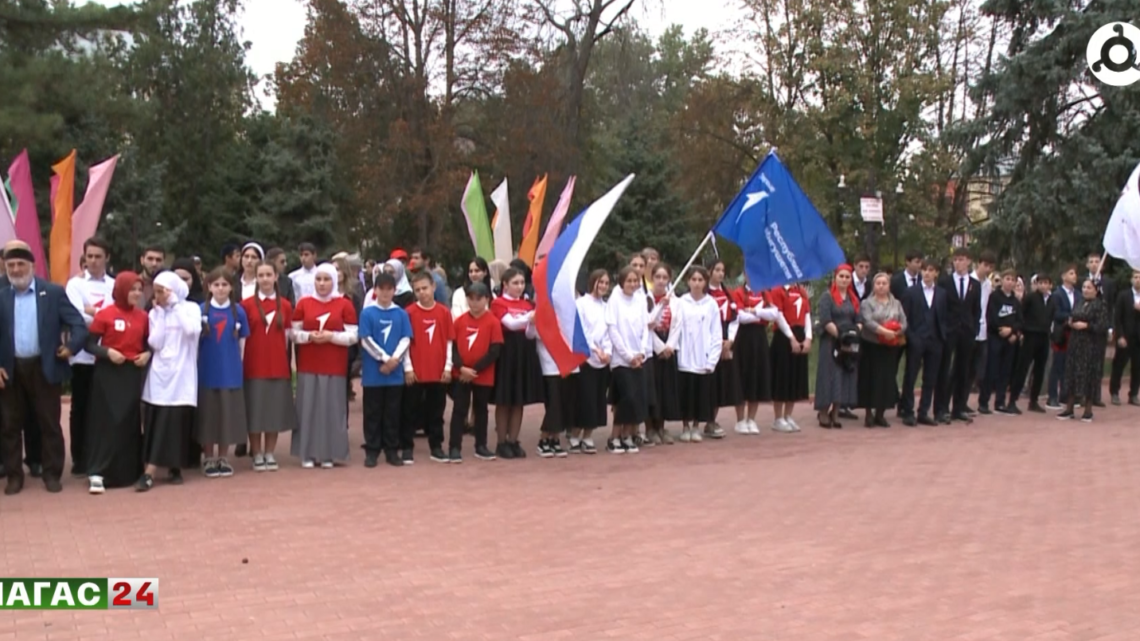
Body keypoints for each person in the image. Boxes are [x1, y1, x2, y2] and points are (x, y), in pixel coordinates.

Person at [0, 241, 89, 495]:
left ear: (32, 266)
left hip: (45, 367)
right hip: (10, 369)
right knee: (9, 426)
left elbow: (79, 325)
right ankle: (15, 477)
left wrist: (71, 347)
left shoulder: (52, 293)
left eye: (20, 264)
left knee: (49, 423)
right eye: (11, 265)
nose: (16, 270)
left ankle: (52, 474)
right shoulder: (1, 296)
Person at [83, 271, 150, 493]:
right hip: (108, 373)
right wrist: (108, 352)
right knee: (106, 422)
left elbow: (149, 344)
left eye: (140, 290)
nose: (137, 294)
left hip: (131, 373)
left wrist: (147, 354)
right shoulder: (105, 314)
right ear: (121, 290)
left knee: (128, 421)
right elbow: (89, 345)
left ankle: (126, 471)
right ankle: (97, 472)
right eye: (132, 289)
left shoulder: (143, 317)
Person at [137, 270, 202, 491]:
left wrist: (174, 306)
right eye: (155, 292)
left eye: (161, 291)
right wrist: (161, 315)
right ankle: (151, 468)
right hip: (160, 373)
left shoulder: (190, 308)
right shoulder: (156, 313)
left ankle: (171, 467)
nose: (158, 296)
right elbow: (155, 343)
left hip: (181, 373)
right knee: (156, 420)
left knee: (174, 421)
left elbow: (192, 331)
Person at [292, 263, 358, 468]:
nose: (322, 284)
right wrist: (309, 336)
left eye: (326, 279)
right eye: (318, 279)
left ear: (334, 281)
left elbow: (354, 335)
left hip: (334, 365)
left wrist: (332, 337)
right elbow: (293, 333)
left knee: (331, 409)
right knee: (308, 408)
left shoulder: (344, 305)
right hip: (309, 364)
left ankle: (329, 453)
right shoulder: (304, 303)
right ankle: (307, 453)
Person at [63, 236, 116, 477]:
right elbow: (76, 317)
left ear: (107, 258)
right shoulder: (74, 285)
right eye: (89, 256)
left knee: (102, 409)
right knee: (81, 407)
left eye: (98, 256)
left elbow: (117, 317)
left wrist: (91, 311)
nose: (93, 261)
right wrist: (101, 315)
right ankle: (80, 458)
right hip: (82, 357)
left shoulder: (114, 285)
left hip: (107, 354)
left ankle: (102, 454)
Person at [240, 261, 295, 472]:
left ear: (275, 277)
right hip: (253, 365)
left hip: (277, 365)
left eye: (268, 275)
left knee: (272, 411)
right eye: (260, 275)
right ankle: (256, 453)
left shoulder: (286, 306)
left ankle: (270, 452)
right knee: (255, 411)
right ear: (256, 278)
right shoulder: (246, 306)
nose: (264, 279)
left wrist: (292, 366)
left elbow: (289, 338)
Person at [196, 269, 250, 478]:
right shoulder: (201, 310)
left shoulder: (239, 312)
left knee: (227, 415)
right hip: (207, 371)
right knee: (209, 415)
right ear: (209, 287)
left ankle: (223, 457)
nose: (220, 289)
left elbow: (243, 345)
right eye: (216, 284)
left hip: (230, 372)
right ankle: (209, 457)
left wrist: (237, 366)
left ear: (231, 287)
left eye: (224, 285)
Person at [359, 273, 413, 468]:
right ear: (375, 290)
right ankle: (372, 450)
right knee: (372, 412)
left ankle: (392, 450)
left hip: (394, 374)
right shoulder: (367, 313)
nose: (385, 292)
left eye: (389, 289)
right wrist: (384, 358)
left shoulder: (401, 314)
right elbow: (366, 339)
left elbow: (406, 339)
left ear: (394, 290)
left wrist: (394, 360)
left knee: (392, 413)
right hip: (374, 373)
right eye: (381, 288)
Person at [402, 271, 453, 464]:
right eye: (417, 290)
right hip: (415, 371)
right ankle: (407, 447)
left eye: (425, 288)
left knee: (436, 411)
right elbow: (406, 342)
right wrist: (408, 367)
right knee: (409, 410)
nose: (422, 293)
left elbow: (449, 341)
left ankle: (437, 446)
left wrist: (448, 367)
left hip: (438, 371)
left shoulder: (443, 312)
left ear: (434, 287)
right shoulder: (409, 313)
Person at [491, 267, 543, 458]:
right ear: (505, 284)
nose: (519, 287)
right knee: (504, 399)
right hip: (506, 353)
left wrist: (532, 322)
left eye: (522, 283)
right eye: (515, 283)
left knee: (518, 400)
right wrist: (529, 317)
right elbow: (510, 324)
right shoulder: (498, 303)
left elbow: (530, 333)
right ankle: (501, 441)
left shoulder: (528, 304)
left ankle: (513, 440)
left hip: (523, 352)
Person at [447, 282, 501, 463]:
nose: (475, 303)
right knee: (459, 410)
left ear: (487, 299)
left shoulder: (493, 322)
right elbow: (452, 347)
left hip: (482, 375)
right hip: (461, 374)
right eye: (471, 299)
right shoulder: (460, 321)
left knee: (481, 410)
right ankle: (454, 447)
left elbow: (495, 351)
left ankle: (481, 445)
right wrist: (461, 367)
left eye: (479, 299)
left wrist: (475, 369)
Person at [668, 266, 721, 443]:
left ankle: (697, 426)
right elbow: (675, 329)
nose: (697, 283)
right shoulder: (681, 302)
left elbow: (716, 333)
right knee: (686, 393)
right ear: (688, 281)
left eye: (700, 280)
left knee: (700, 393)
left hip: (702, 358)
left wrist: (712, 359)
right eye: (694, 280)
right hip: (685, 357)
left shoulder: (711, 304)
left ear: (705, 282)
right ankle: (685, 426)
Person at [606, 266, 650, 453]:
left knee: (636, 399)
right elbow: (613, 330)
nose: (632, 284)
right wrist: (628, 356)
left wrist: (641, 352)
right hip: (621, 361)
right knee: (626, 398)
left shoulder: (640, 300)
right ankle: (614, 438)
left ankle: (627, 435)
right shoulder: (614, 301)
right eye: (629, 280)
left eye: (635, 280)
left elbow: (645, 328)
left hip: (638, 358)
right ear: (622, 282)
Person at [935, 248, 982, 423]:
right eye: (955, 260)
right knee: (945, 369)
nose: (958, 263)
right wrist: (944, 328)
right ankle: (941, 407)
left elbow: (976, 310)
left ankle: (959, 407)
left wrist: (974, 328)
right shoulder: (945, 283)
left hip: (967, 331)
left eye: (961, 259)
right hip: (950, 330)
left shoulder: (974, 285)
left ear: (968, 261)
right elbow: (941, 307)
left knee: (963, 369)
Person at [900, 260, 949, 427]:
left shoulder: (942, 294)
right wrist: (911, 337)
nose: (927, 273)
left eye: (931, 270)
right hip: (916, 339)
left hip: (935, 340)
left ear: (936, 273)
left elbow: (944, 316)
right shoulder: (911, 292)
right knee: (911, 376)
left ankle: (923, 411)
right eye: (924, 270)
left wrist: (942, 335)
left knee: (930, 378)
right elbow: (904, 318)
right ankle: (907, 411)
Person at [814, 265, 861, 428]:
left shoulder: (853, 299)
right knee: (829, 376)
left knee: (844, 376)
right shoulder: (827, 297)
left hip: (849, 343)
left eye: (847, 277)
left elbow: (859, 319)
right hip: (831, 341)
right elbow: (826, 320)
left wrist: (854, 335)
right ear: (835, 277)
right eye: (841, 276)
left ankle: (837, 411)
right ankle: (823, 412)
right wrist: (841, 337)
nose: (844, 280)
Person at [858, 273, 907, 427]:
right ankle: (868, 414)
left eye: (884, 283)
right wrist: (884, 331)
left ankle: (880, 414)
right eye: (878, 283)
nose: (881, 286)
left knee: (886, 380)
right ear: (873, 285)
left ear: (889, 286)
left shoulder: (896, 303)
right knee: (869, 378)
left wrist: (897, 331)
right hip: (871, 346)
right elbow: (867, 321)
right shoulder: (867, 303)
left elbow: (904, 321)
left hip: (890, 346)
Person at [572, 269, 613, 454]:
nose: (603, 286)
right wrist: (594, 349)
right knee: (583, 399)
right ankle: (574, 434)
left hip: (602, 360)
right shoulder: (581, 304)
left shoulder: (606, 307)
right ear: (593, 282)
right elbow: (582, 329)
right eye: (600, 282)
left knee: (597, 399)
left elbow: (608, 332)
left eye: (606, 283)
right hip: (585, 358)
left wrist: (607, 353)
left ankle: (588, 436)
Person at [732, 275, 777, 434]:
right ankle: (739, 420)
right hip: (743, 338)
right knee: (742, 376)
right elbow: (740, 317)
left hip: (760, 338)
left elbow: (774, 314)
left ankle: (751, 419)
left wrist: (753, 310)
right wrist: (761, 315)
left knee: (757, 376)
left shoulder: (765, 293)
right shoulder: (738, 292)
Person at [1059, 279, 1110, 422]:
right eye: (1084, 287)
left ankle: (1088, 410)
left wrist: (1087, 326)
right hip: (1075, 344)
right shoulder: (1079, 302)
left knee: (1089, 376)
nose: (1086, 290)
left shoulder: (1100, 305)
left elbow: (1102, 325)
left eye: (1089, 287)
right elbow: (1073, 316)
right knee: (1072, 374)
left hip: (1091, 346)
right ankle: (1069, 408)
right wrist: (1070, 323)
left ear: (1096, 290)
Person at [768, 282, 812, 433]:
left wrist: (808, 338)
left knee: (795, 376)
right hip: (783, 336)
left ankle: (788, 415)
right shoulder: (777, 289)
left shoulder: (800, 290)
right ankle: (778, 418)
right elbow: (778, 316)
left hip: (800, 333)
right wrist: (791, 338)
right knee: (782, 377)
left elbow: (807, 314)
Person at [979, 270, 1022, 414]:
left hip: (1010, 340)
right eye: (1007, 279)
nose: (1010, 282)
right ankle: (983, 402)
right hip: (995, 338)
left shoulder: (1015, 301)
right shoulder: (995, 297)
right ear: (1002, 280)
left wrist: (1013, 331)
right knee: (991, 370)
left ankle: (1000, 402)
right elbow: (991, 317)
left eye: (1012, 280)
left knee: (1006, 371)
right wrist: (1001, 330)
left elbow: (1020, 321)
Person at [1009, 273, 1052, 413]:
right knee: (1023, 368)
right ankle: (1012, 400)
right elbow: (1021, 314)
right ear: (1037, 284)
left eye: (1046, 283)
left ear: (1050, 285)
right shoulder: (1031, 298)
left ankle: (1033, 400)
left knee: (1039, 370)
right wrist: (1020, 331)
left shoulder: (1052, 300)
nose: (1043, 286)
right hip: (1030, 336)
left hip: (1044, 337)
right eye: (1041, 283)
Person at [647, 265, 681, 444]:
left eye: (664, 277)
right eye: (658, 277)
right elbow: (647, 324)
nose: (661, 281)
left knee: (665, 389)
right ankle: (650, 428)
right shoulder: (646, 299)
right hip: (651, 348)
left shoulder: (674, 300)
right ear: (652, 278)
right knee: (652, 388)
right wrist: (659, 348)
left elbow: (677, 324)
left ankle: (661, 426)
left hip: (668, 346)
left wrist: (670, 346)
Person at [706, 261, 739, 439]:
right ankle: (699, 419)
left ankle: (712, 420)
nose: (720, 274)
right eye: (717, 270)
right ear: (709, 272)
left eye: (722, 271)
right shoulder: (705, 294)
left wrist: (730, 341)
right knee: (707, 382)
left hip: (725, 342)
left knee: (720, 382)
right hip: (708, 343)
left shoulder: (728, 295)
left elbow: (735, 319)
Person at [1047, 265, 1078, 408]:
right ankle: (1052, 396)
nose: (1074, 276)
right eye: (1071, 273)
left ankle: (1065, 395)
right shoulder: (1057, 294)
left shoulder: (1078, 294)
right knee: (1057, 365)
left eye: (1075, 273)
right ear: (1064, 276)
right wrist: (1070, 317)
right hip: (1062, 333)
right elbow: (1056, 313)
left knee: (1070, 366)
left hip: (1075, 334)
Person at [1109, 270, 1140, 406]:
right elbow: (1117, 318)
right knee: (1119, 366)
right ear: (1131, 279)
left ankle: (1133, 394)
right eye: (1135, 277)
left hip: (1139, 340)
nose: (1138, 279)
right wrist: (1120, 335)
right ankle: (1114, 392)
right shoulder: (1124, 295)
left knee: (1137, 367)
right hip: (1125, 337)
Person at [970, 251, 997, 399]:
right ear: (978, 264)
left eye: (990, 266)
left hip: (983, 330)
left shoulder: (988, 284)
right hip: (970, 329)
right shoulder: (969, 280)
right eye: (985, 265)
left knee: (979, 368)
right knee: (965, 368)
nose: (987, 269)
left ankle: (965, 402)